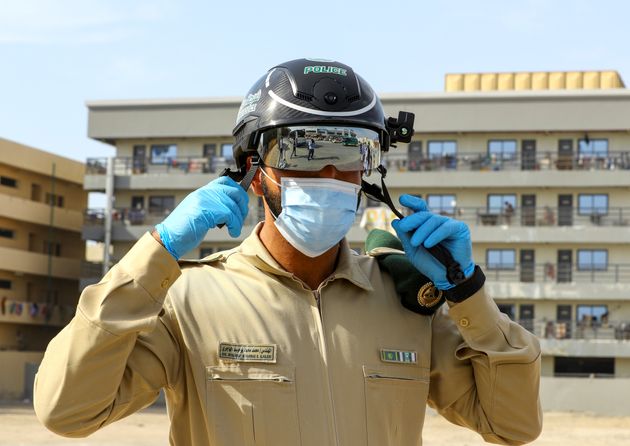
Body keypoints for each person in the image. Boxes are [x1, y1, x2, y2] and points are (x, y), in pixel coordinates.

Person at [34, 58, 542, 446]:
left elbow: (513, 425)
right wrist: (157, 253)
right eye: (302, 150)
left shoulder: (408, 301)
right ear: (254, 171)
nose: (328, 175)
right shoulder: (186, 300)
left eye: (350, 152)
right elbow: (67, 409)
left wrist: (466, 289)